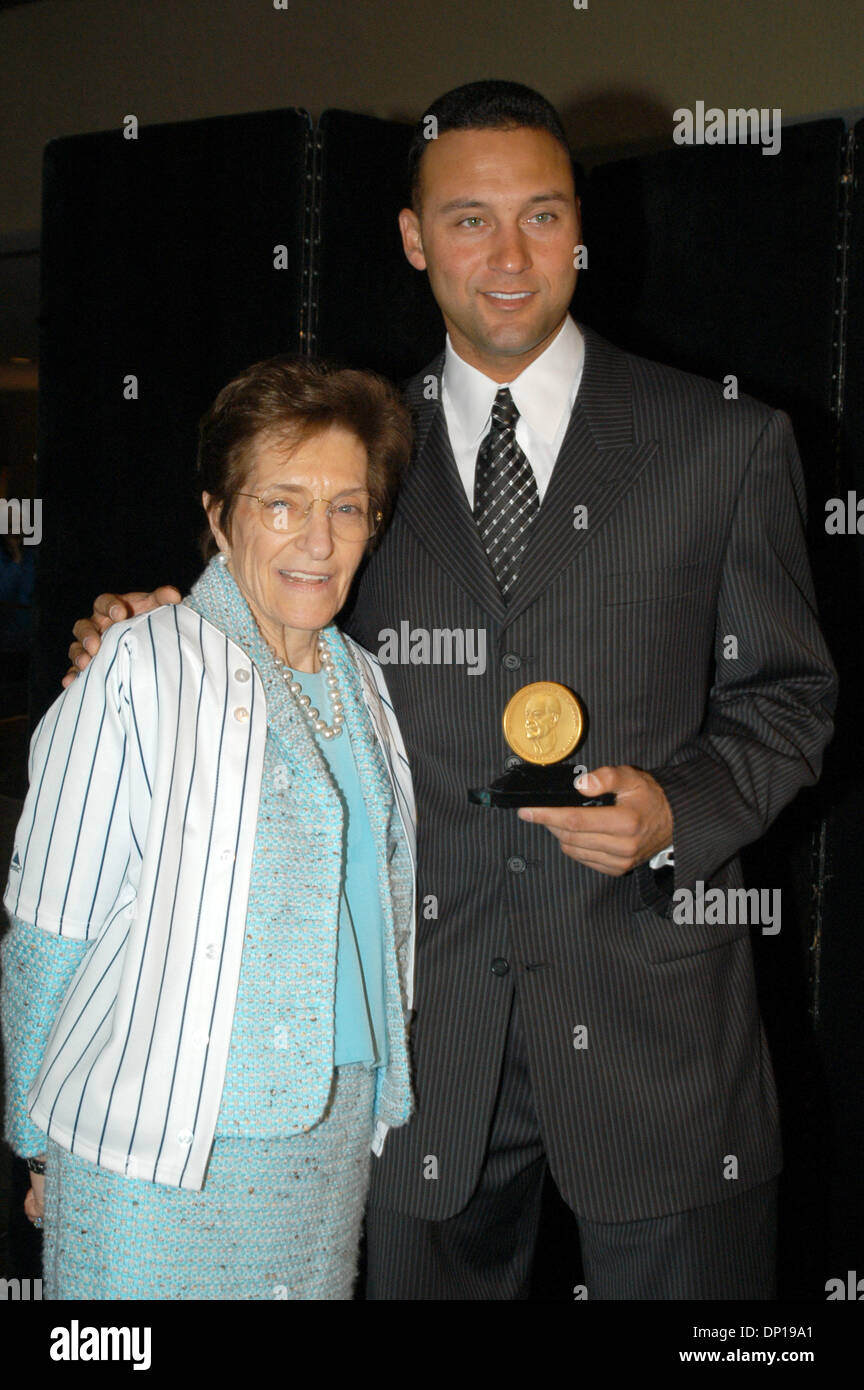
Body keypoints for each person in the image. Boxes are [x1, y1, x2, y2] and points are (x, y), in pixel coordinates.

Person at [65, 81, 837, 1300]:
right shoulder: (359, 452)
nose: (512, 254)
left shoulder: (724, 443)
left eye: (541, 214)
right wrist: (157, 631)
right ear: (416, 239)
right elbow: (272, 634)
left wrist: (679, 811)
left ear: (581, 226)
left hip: (659, 1042)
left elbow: (792, 697)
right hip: (416, 1039)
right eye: (469, 220)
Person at [2, 356, 416, 1299]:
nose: (318, 538)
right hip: (157, 1146)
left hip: (332, 1135)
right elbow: (47, 932)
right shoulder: (139, 666)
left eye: (348, 507)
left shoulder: (368, 685)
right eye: (281, 503)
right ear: (220, 514)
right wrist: (34, 1143)